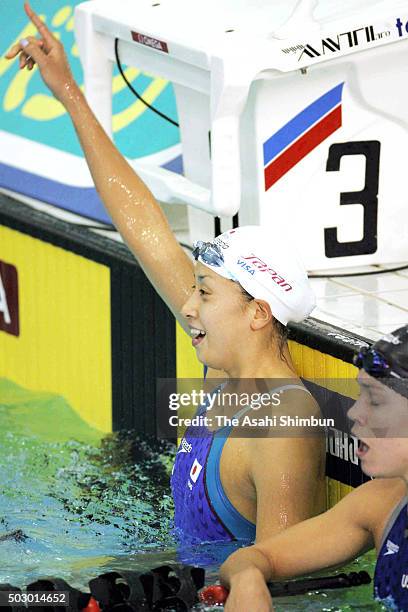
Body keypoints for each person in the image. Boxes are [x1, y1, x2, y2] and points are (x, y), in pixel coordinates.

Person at [5, 3, 326, 545]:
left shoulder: (282, 424)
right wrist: (70, 95)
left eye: (204, 292)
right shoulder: (226, 368)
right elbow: (140, 223)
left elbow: (273, 580)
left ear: (257, 312)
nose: (189, 306)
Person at [220, 324, 408, 611]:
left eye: (376, 401)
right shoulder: (381, 503)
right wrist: (248, 581)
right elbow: (259, 558)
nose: (354, 413)